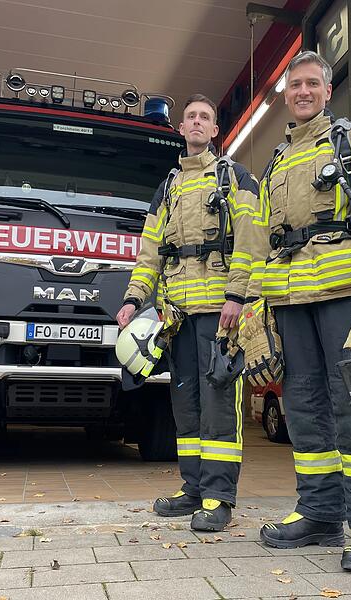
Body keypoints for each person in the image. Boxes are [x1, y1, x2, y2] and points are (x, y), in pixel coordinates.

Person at [248, 51, 351, 574]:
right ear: (285, 93)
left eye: (311, 83)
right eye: (294, 84)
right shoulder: (275, 161)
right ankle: (319, 514)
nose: (302, 91)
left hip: (345, 292)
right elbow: (256, 239)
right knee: (302, 410)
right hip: (290, 301)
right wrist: (252, 298)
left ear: (326, 88)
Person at [116, 94, 266, 531]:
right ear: (181, 129)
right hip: (176, 316)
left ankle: (219, 498)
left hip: (220, 315)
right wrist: (132, 299)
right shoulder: (168, 187)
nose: (197, 123)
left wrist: (238, 298)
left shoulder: (234, 177)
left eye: (205, 118)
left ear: (215, 131)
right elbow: (149, 254)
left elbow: (250, 242)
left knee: (220, 407)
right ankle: (193, 488)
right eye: (191, 118)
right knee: (186, 407)